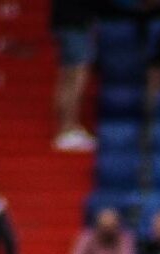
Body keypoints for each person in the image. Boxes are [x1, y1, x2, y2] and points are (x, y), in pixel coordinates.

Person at [50, 0, 98, 151]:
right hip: (75, 25)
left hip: (66, 24)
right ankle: (68, 129)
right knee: (77, 77)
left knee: (67, 77)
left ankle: (66, 128)